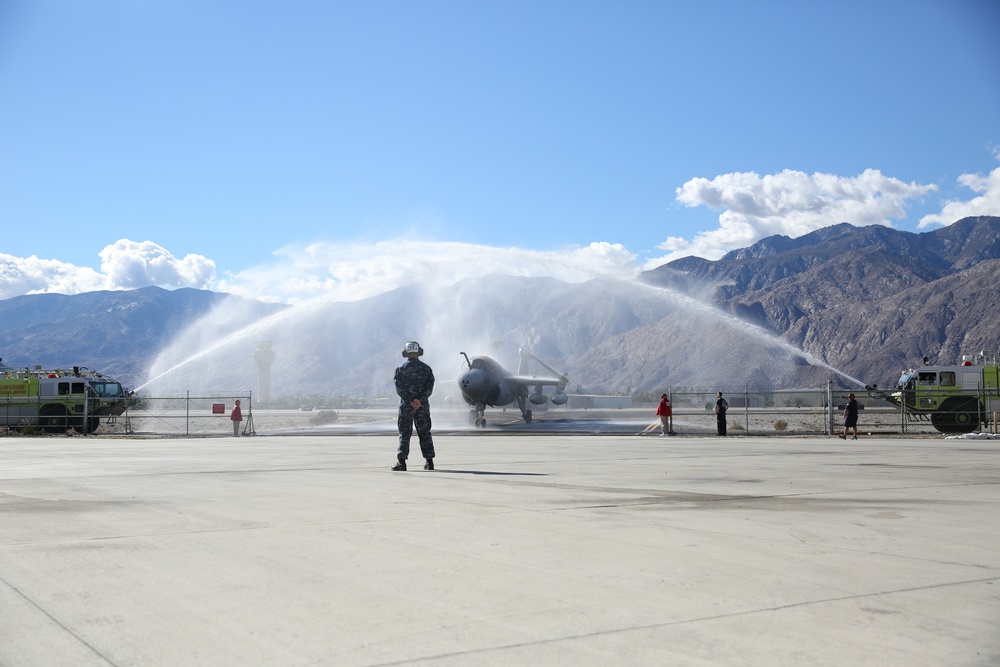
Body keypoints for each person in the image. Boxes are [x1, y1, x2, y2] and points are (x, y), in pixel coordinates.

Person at [392, 341, 436, 471]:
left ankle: (402, 463)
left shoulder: (400, 369)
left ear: (405, 353)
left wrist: (410, 400)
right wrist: (419, 401)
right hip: (422, 407)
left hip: (406, 406)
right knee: (425, 433)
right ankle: (430, 462)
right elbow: (429, 388)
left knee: (404, 433)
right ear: (419, 352)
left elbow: (399, 389)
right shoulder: (427, 369)